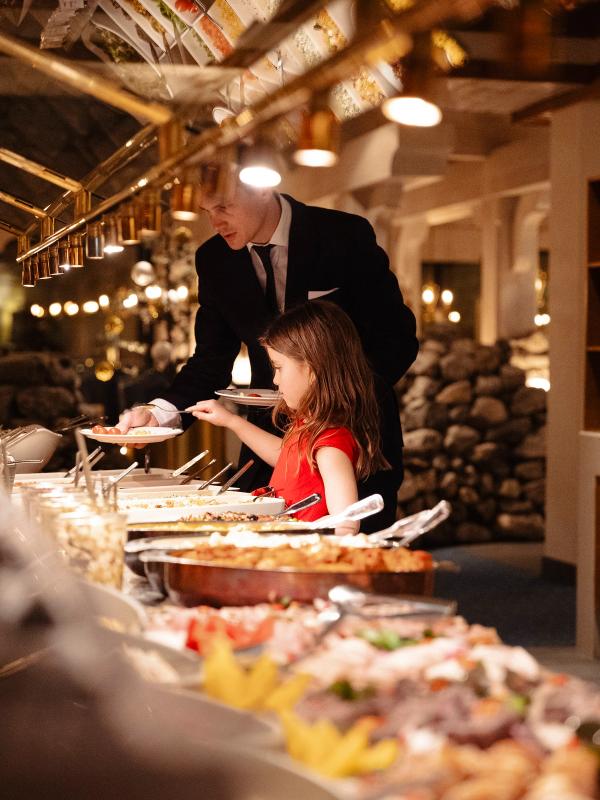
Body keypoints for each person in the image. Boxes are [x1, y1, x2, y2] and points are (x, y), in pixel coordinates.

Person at [119, 184, 418, 530]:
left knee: (357, 554)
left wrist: (338, 397)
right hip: (272, 440)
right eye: (207, 212)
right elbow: (211, 359)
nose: (215, 221)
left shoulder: (343, 235)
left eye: (223, 206)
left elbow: (398, 340)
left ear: (260, 189)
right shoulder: (214, 259)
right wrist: (160, 413)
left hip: (356, 435)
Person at [187, 301, 388, 533]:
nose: (275, 380)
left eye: (279, 368)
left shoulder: (330, 444)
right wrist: (232, 421)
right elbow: (286, 456)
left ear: (312, 370)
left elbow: (347, 523)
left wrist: (301, 532)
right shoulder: (309, 425)